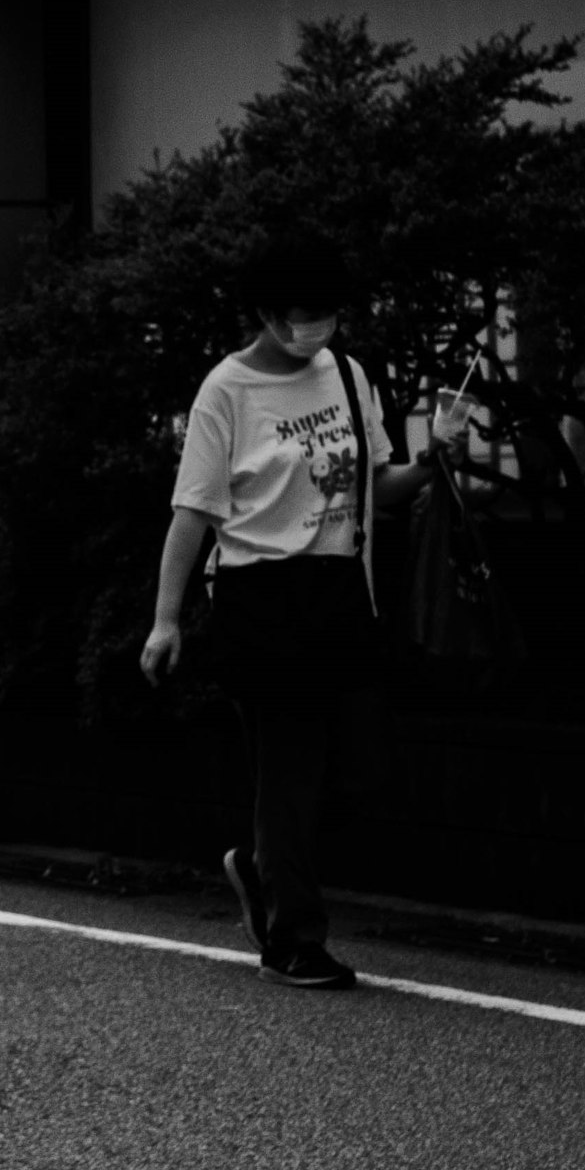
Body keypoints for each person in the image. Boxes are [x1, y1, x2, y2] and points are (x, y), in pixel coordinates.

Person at [138, 236, 465, 990]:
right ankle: (294, 939)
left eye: (328, 312)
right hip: (260, 596)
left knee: (360, 772)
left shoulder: (347, 376)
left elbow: (375, 486)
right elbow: (193, 512)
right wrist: (165, 619)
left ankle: (261, 868)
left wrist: (433, 461)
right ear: (265, 314)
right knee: (289, 775)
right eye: (302, 313)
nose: (317, 326)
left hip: (340, 592)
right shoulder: (227, 390)